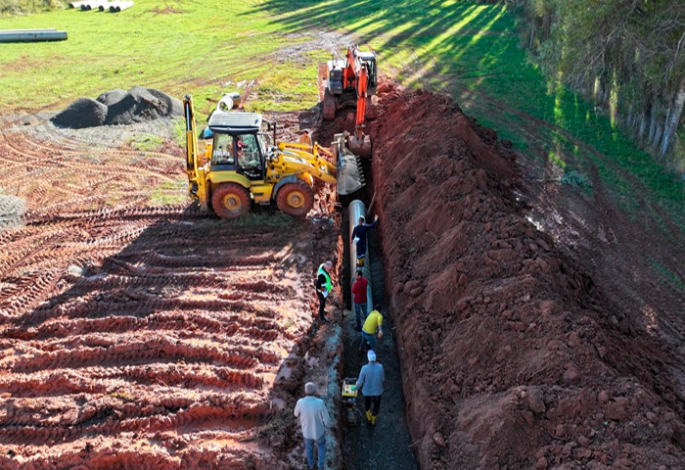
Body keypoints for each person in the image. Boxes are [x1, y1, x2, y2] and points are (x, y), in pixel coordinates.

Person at [294, 382, 330, 470]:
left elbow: (295, 414)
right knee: (321, 446)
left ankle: (311, 465)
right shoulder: (320, 402)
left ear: (304, 391)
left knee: (309, 449)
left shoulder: (300, 402)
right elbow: (327, 419)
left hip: (306, 433)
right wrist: (326, 426)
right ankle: (320, 466)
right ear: (315, 391)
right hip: (319, 432)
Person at [354, 350, 384, 425]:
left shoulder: (364, 368)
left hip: (367, 391)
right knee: (376, 406)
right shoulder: (380, 367)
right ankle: (373, 421)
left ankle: (369, 417)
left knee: (367, 403)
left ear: (368, 359)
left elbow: (360, 382)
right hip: (377, 391)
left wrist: (353, 389)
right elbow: (383, 379)